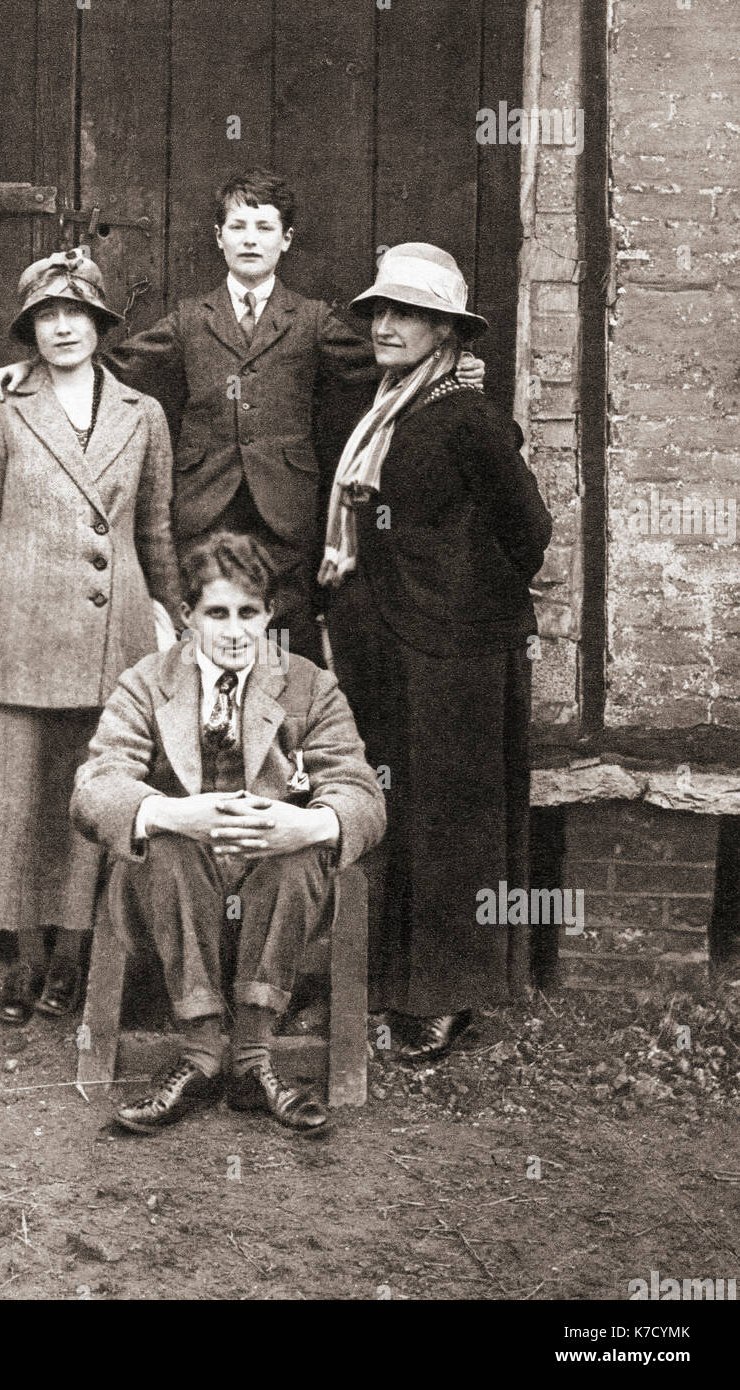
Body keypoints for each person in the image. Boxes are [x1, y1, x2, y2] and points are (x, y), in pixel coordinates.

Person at [0, 169, 485, 664]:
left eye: (264, 228)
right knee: (204, 629)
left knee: (286, 642)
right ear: (218, 238)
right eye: (237, 227)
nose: (250, 240)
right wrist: (31, 365)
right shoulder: (191, 318)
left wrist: (452, 364)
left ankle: (284, 742)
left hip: (286, 514)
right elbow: (111, 364)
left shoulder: (309, 319)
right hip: (204, 505)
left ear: (286, 240)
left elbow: (380, 363)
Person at [320, 243, 553, 1063]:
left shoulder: (470, 417)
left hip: (455, 657)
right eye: (380, 311)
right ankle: (389, 982)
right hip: (390, 648)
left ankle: (447, 995)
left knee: (452, 824)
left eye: (407, 313)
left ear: (447, 330)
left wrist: (453, 595)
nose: (386, 326)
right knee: (396, 812)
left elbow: (529, 535)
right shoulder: (389, 405)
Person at [70, 532, 386, 1134]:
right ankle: (200, 1052)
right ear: (188, 617)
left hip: (276, 895)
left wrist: (306, 824)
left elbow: (363, 794)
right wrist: (171, 813)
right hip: (175, 894)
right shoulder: (147, 682)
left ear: (269, 614)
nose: (235, 630)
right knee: (164, 847)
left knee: (301, 857)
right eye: (217, 613)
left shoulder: (308, 685)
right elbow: (95, 787)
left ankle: (253, 1056)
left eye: (249, 613)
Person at [0, 247, 183, 1026]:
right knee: (13, 800)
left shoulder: (141, 415)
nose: (63, 327)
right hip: (16, 637)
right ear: (30, 330)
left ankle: (76, 959)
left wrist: (172, 619)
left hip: (112, 638)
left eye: (77, 312)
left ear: (101, 323)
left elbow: (156, 532)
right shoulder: (0, 411)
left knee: (95, 798)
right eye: (47, 315)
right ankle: (23, 959)